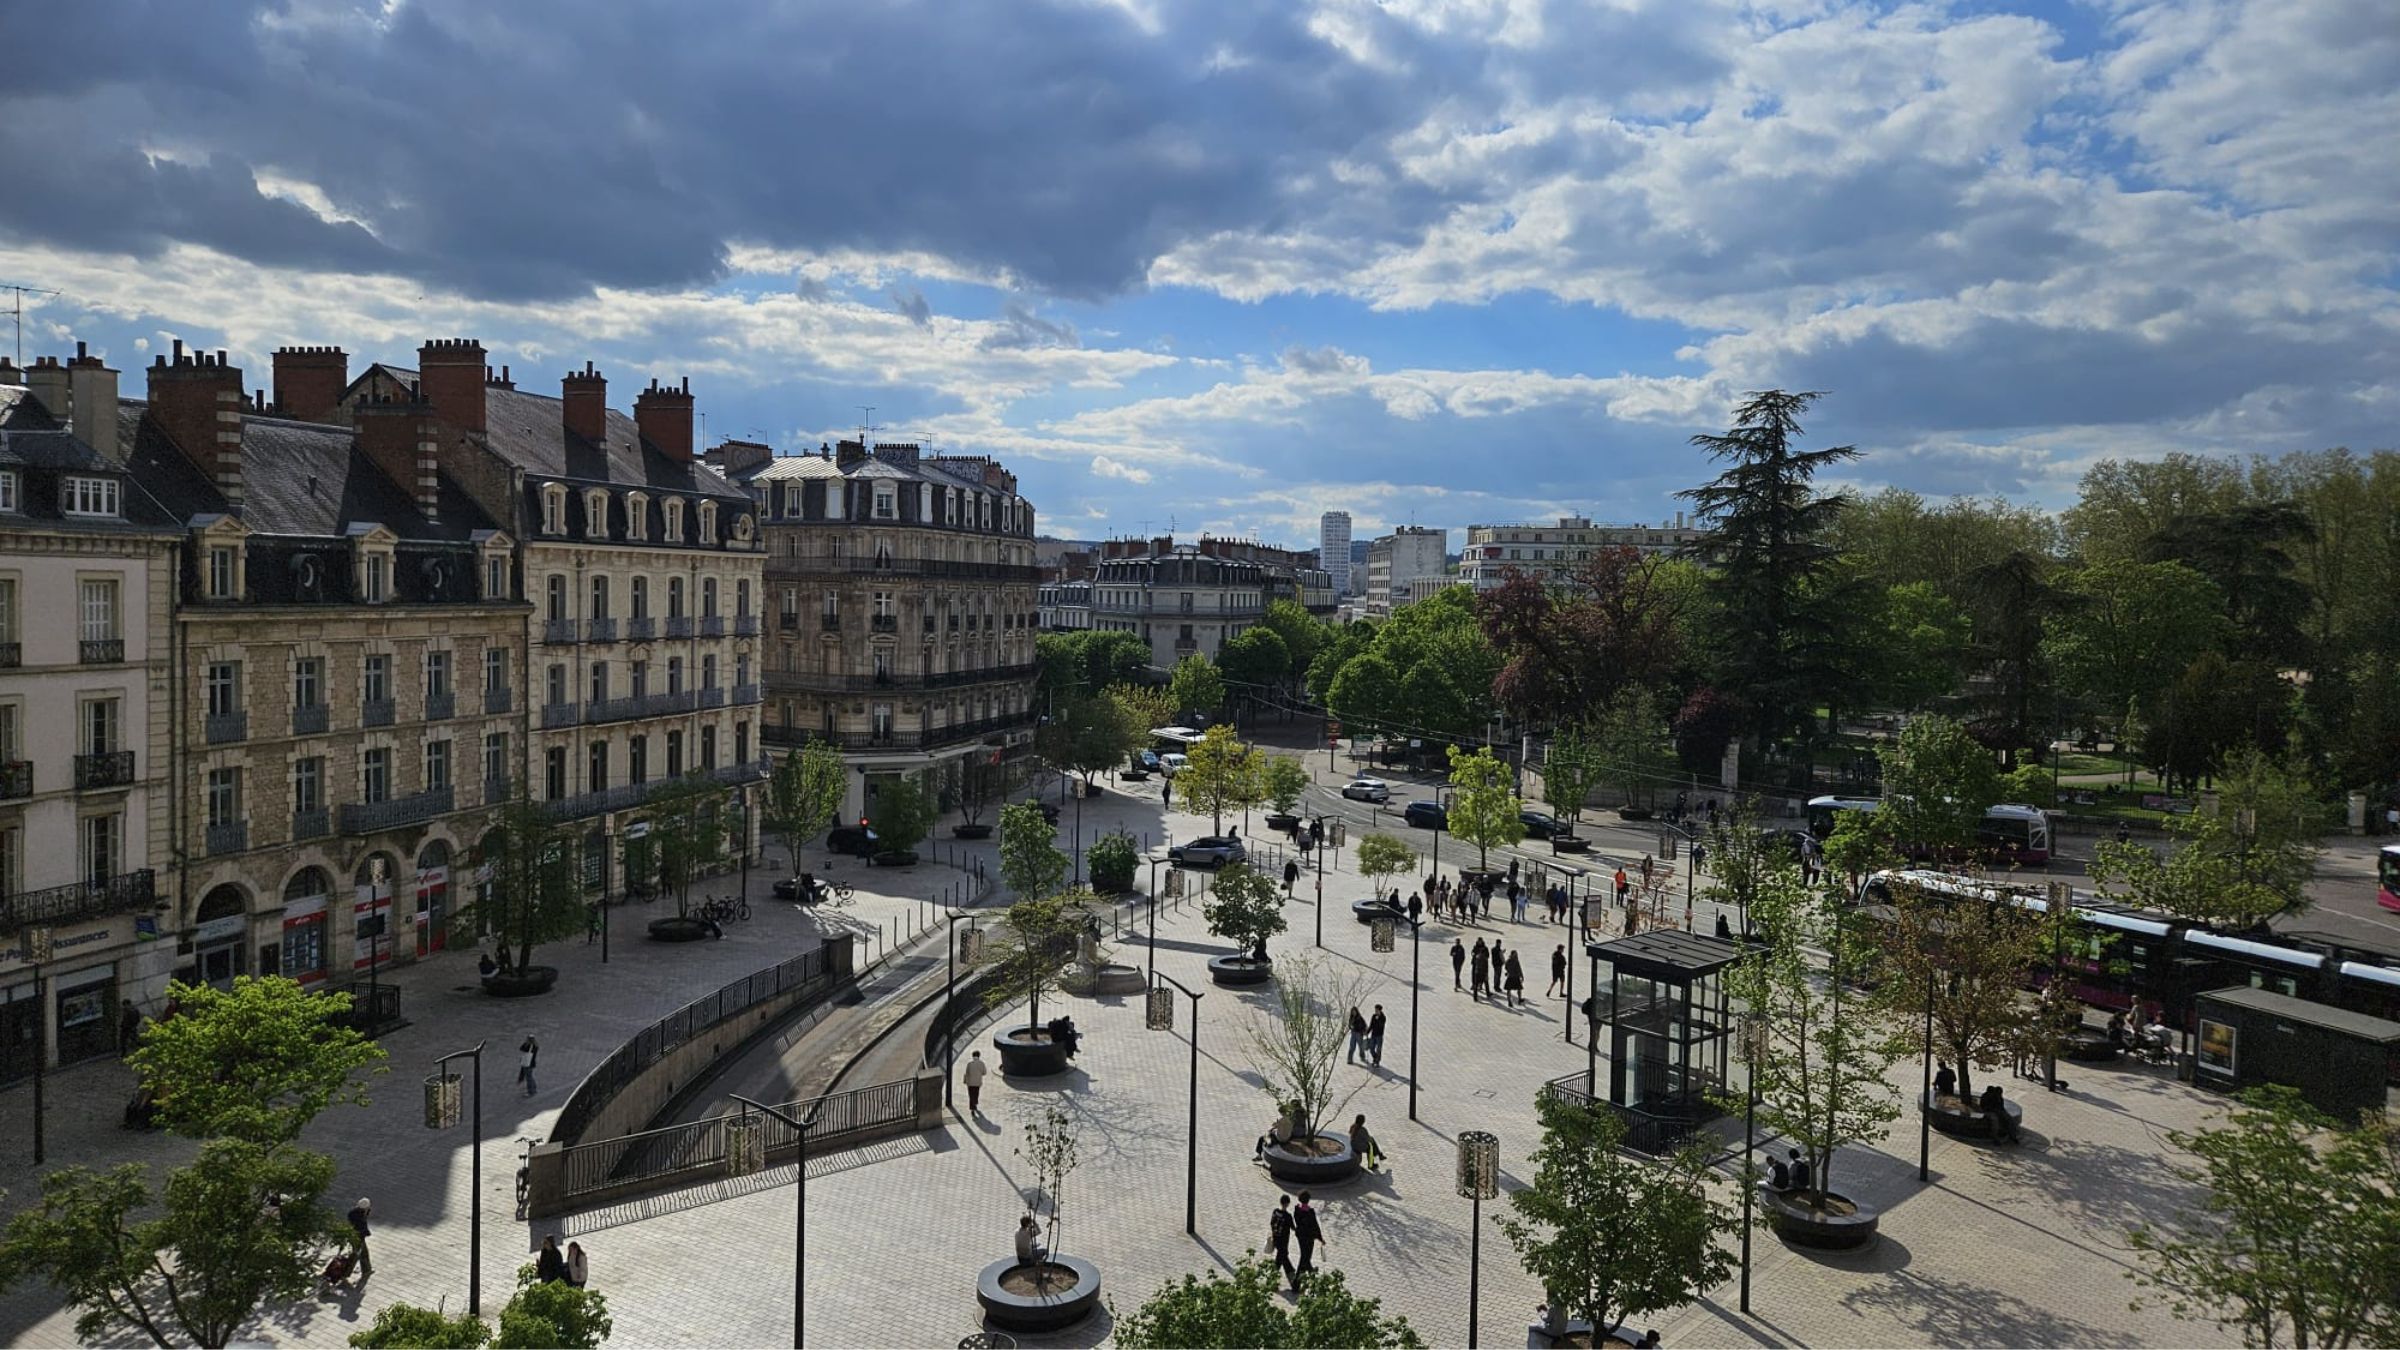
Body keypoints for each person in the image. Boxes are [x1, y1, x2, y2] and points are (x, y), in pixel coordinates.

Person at [1293, 1191, 1325, 1282]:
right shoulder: (1310, 1212)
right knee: (1305, 1257)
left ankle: (1309, 1274)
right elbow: (1315, 1226)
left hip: (1300, 1236)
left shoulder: (1297, 1209)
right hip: (1309, 1238)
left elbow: (1297, 1221)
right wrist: (1320, 1238)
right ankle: (1300, 1280)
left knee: (1304, 1256)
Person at [1269, 1196, 1299, 1289]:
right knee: (1284, 1261)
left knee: (1280, 1260)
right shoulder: (1287, 1216)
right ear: (1287, 1204)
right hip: (1283, 1242)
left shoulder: (1275, 1211)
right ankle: (1294, 1284)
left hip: (1276, 1240)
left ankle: (1272, 1282)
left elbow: (1271, 1223)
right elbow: (1294, 1228)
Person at [347, 1198, 374, 1278]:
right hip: (358, 1237)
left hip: (352, 1236)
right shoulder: (361, 1217)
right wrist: (367, 1233)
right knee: (362, 1254)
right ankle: (366, 1270)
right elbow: (363, 1228)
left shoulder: (352, 1213)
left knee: (357, 1253)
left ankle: (348, 1271)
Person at [963, 1049, 989, 1115]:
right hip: (977, 1082)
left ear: (972, 1056)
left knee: (971, 1095)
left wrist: (965, 1081)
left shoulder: (969, 1064)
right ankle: (975, 1103)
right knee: (976, 1093)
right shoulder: (981, 1063)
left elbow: (967, 1073)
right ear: (979, 1056)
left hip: (970, 1082)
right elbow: (984, 1072)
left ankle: (972, 1108)